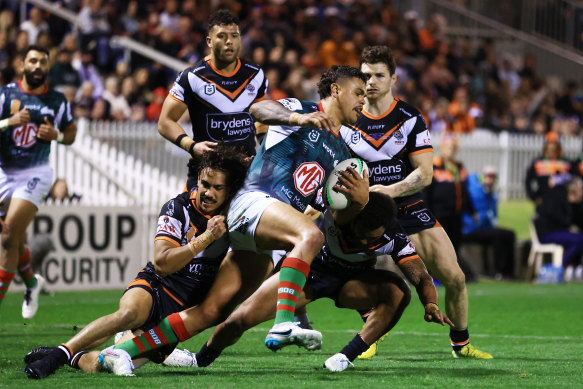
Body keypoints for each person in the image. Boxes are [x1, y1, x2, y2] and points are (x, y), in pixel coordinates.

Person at [99, 65, 368, 376]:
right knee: (311, 236)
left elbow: (330, 209)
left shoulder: (340, 152)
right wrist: (298, 118)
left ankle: (120, 351)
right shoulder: (301, 108)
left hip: (268, 230)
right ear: (335, 90)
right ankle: (283, 324)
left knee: (212, 311)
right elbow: (258, 108)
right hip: (252, 202)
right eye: (358, 93)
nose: (363, 101)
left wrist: (359, 202)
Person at [23, 144, 249, 379]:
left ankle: (69, 355)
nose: (209, 193)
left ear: (229, 189)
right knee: (129, 314)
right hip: (158, 286)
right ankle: (54, 359)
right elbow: (162, 263)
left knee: (101, 363)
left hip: (178, 314)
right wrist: (206, 238)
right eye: (205, 184)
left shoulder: (236, 213)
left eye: (217, 187)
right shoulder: (177, 207)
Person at [188, 192, 452, 372]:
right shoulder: (337, 206)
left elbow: (422, 276)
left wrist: (430, 304)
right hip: (311, 274)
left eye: (371, 239)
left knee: (398, 292)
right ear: (354, 215)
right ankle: (200, 360)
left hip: (352, 283)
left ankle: (345, 357)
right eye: (362, 235)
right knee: (240, 319)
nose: (364, 242)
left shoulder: (394, 236)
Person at [340, 46, 492, 359]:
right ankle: (369, 336)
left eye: (379, 75)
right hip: (365, 214)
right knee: (352, 275)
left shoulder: (409, 118)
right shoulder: (347, 120)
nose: (371, 81)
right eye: (366, 75)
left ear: (393, 78)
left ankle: (460, 344)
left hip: (409, 208)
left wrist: (386, 192)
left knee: (456, 277)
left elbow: (425, 175)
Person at [0, 45, 76, 319]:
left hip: (36, 173)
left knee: (8, 236)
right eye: (32, 61)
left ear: (47, 67)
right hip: (4, 171)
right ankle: (32, 282)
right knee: (14, 236)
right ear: (22, 65)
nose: (37, 66)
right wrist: (9, 122)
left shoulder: (57, 100)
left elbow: (71, 134)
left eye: (43, 62)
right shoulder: (6, 94)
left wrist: (55, 135)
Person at [159, 10, 268, 189]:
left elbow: (261, 119)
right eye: (222, 36)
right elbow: (164, 122)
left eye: (234, 35)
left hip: (246, 176)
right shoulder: (192, 77)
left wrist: (264, 149)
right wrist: (192, 146)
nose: (229, 41)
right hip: (205, 176)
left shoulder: (255, 75)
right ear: (209, 41)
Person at [462, 165, 516, 279]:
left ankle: (508, 272)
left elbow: (492, 216)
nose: (490, 180)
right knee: (497, 236)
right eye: (488, 176)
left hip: (483, 228)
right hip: (470, 228)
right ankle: (497, 271)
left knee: (509, 234)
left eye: (493, 177)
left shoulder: (492, 195)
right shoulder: (474, 190)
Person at [424, 135, 475, 253]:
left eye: (453, 148)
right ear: (442, 148)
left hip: (456, 215)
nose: (450, 150)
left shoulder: (459, 167)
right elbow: (426, 192)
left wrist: (472, 211)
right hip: (439, 214)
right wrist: (428, 214)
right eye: (448, 147)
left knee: (455, 246)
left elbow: (465, 191)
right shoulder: (434, 165)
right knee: (439, 247)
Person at [525, 134, 572, 205]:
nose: (551, 147)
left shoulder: (566, 163)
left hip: (562, 202)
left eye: (554, 145)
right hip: (544, 201)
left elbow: (573, 177)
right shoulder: (538, 162)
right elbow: (528, 180)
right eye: (549, 144)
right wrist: (534, 197)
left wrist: (559, 179)